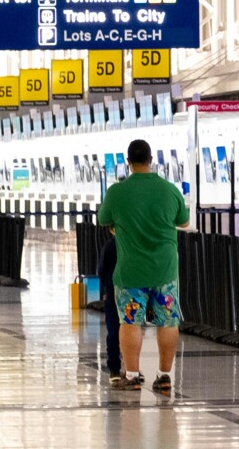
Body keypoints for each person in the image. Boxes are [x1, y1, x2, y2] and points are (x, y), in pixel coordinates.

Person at [96, 139, 190, 395]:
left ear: (129, 162)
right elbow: (184, 221)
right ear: (151, 160)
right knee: (168, 322)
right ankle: (164, 376)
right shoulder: (169, 190)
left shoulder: (118, 191)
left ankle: (134, 375)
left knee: (130, 322)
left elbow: (103, 218)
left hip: (130, 272)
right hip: (165, 271)